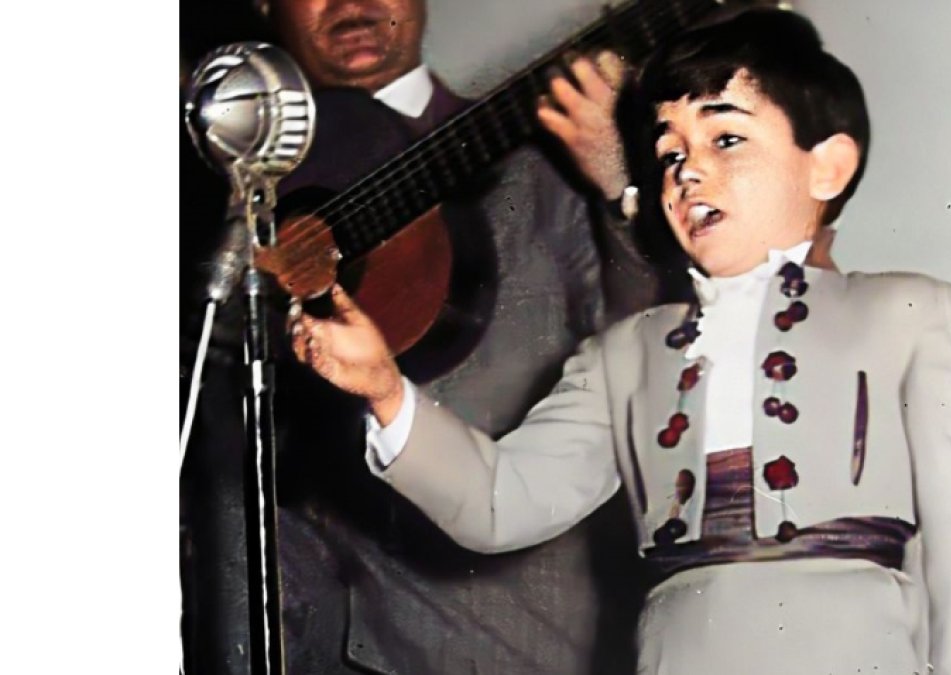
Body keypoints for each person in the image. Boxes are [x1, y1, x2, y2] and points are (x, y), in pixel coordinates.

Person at [288, 8, 951, 674]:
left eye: (726, 138)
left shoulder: (915, 313)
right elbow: (500, 502)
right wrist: (386, 389)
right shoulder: (626, 352)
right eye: (669, 154)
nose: (689, 171)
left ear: (827, 164)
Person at [179, 0, 663, 673]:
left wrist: (621, 189)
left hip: (498, 644)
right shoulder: (207, 194)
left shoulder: (549, 160)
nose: (353, 3)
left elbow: (648, 353)